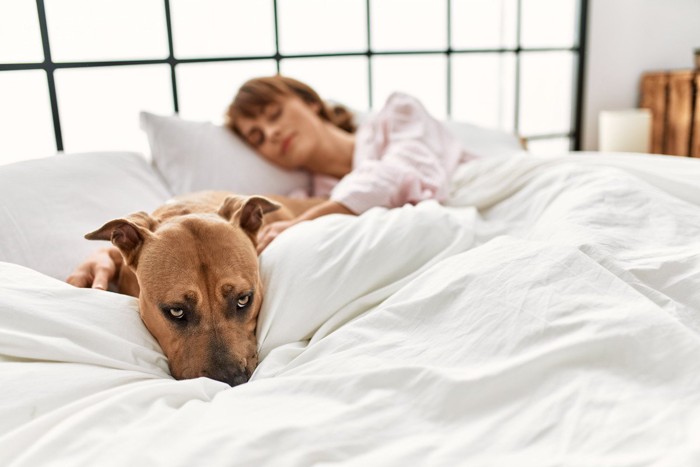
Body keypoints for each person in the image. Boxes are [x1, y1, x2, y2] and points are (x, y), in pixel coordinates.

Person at [67, 74, 475, 290]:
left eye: (273, 114)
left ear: (310, 102)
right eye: (257, 136)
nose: (271, 133)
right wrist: (127, 259)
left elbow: (405, 171)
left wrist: (310, 220)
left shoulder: (395, 115)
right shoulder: (305, 199)